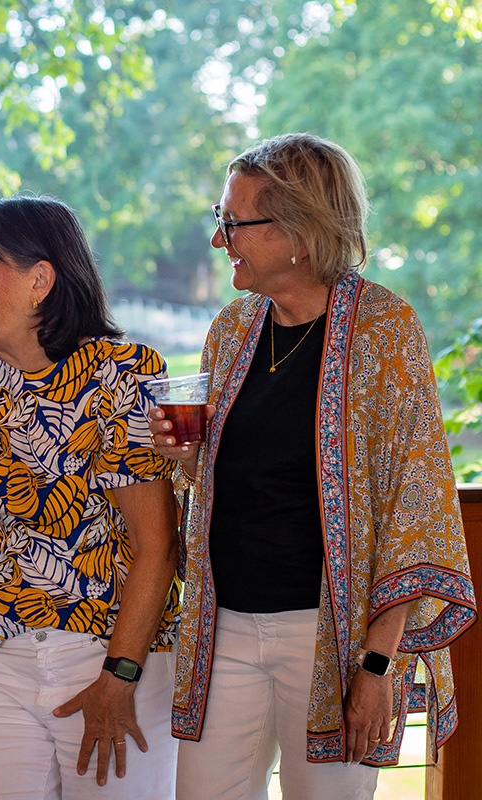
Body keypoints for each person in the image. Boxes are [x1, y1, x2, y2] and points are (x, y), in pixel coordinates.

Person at [153, 132, 476, 800]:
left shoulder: (385, 331)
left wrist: (377, 666)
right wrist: (188, 456)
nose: (220, 240)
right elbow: (220, 479)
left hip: (330, 638)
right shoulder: (233, 329)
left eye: (232, 223)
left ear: (299, 230)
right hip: (225, 629)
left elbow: (414, 506)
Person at [0, 195, 181, 800]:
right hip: (2, 654)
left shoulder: (120, 372)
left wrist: (119, 677)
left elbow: (157, 545)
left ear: (39, 279)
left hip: (114, 658)